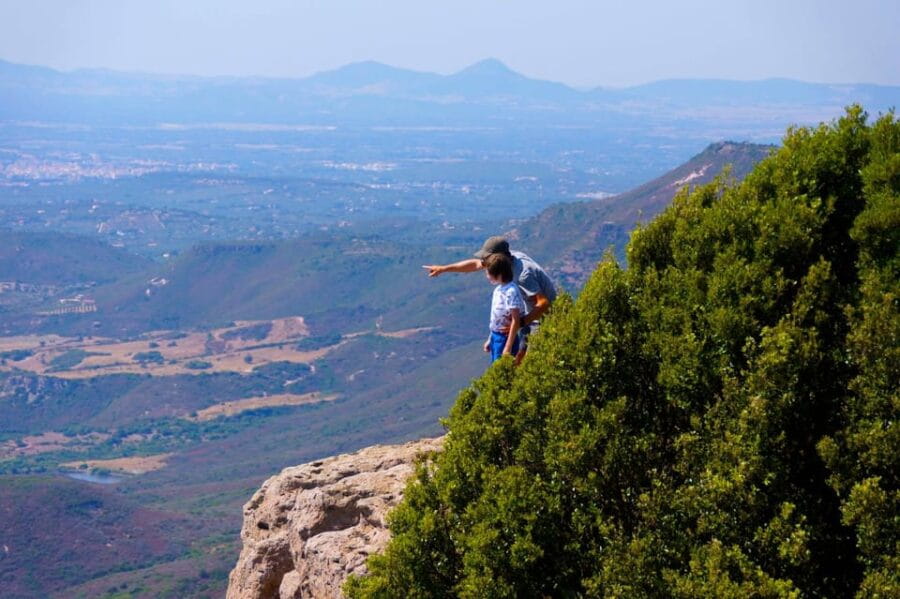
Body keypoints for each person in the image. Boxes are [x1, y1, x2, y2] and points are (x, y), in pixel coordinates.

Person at [423, 236, 556, 360]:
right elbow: (475, 264)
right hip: (527, 316)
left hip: (544, 319)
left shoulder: (522, 274)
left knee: (529, 361)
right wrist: (444, 269)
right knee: (518, 360)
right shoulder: (507, 259)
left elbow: (544, 303)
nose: (484, 262)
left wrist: (520, 323)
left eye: (486, 258)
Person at [482, 252, 525, 362]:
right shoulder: (498, 290)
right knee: (495, 368)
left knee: (503, 370)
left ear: (499, 274)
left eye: (489, 273)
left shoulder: (511, 291)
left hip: (505, 338)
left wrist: (508, 347)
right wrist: (490, 339)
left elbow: (516, 320)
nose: (487, 276)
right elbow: (497, 319)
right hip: (496, 337)